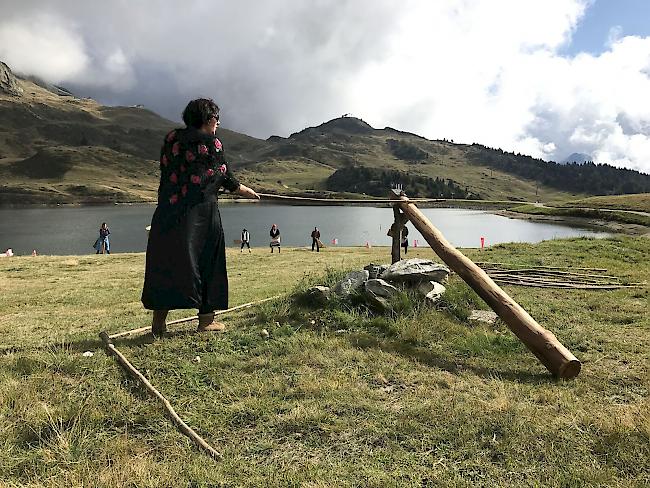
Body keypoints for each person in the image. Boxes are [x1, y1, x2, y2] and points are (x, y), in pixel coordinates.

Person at [141, 98, 260, 336]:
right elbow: (221, 173)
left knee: (166, 262)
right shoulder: (211, 144)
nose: (218, 124)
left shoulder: (171, 139)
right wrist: (243, 189)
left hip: (168, 211)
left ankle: (158, 324)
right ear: (208, 119)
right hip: (201, 214)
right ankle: (206, 321)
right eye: (216, 119)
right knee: (208, 261)